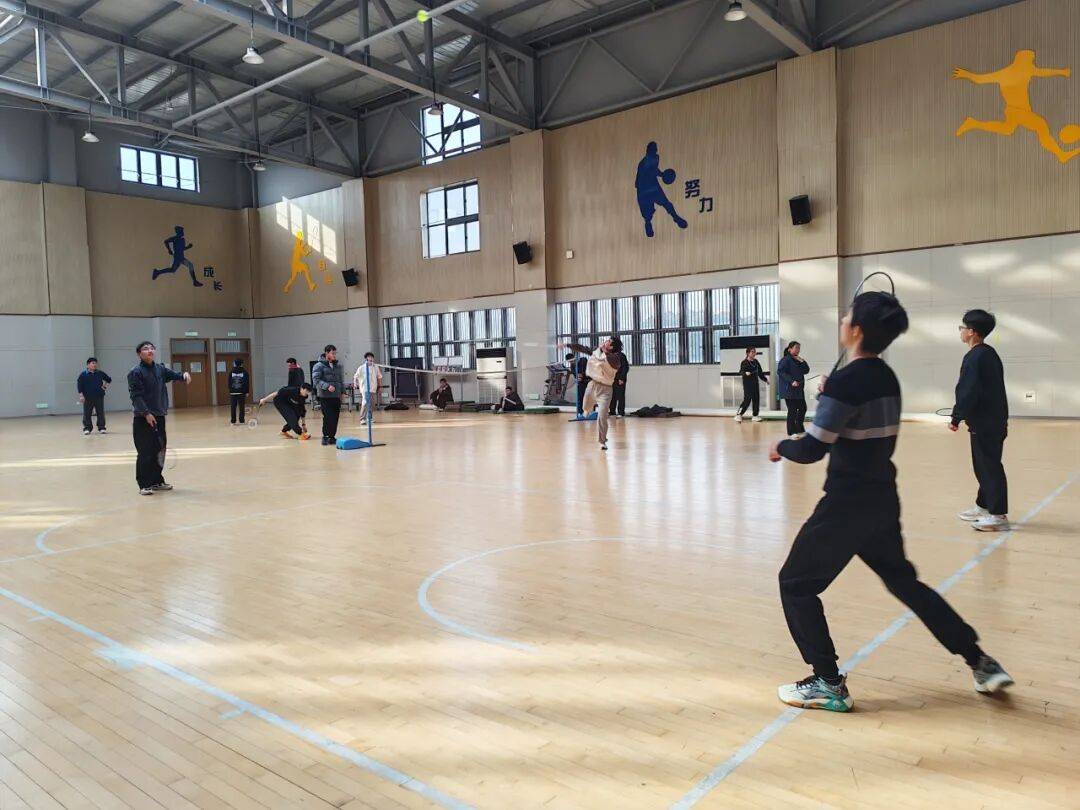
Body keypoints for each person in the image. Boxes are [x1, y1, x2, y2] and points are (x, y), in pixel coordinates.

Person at [768, 292, 1013, 712]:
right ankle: (980, 661)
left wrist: (781, 445)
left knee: (795, 584)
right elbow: (854, 422)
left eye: (847, 316)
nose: (842, 321)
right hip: (882, 500)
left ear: (856, 330)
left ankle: (828, 682)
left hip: (846, 505)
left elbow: (812, 449)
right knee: (906, 584)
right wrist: (831, 399)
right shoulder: (885, 377)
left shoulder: (846, 383)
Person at [950, 309, 1010, 532]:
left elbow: (968, 390)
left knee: (988, 467)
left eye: (963, 327)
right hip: (993, 420)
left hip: (986, 422)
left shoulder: (975, 357)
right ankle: (984, 506)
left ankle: (998, 515)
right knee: (985, 465)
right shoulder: (988, 353)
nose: (961, 331)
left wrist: (956, 416)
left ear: (972, 332)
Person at [127, 341, 190, 496]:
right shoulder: (135, 372)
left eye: (151, 348)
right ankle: (144, 484)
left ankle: (156, 481)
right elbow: (136, 396)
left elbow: (173, 375)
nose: (150, 350)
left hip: (159, 416)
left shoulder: (160, 369)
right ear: (139, 354)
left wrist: (183, 375)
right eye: (145, 348)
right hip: (143, 418)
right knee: (145, 452)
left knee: (160, 450)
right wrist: (146, 413)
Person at [565, 338, 623, 450]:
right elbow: (582, 348)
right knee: (586, 406)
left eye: (608, 341)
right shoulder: (597, 351)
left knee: (602, 415)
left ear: (611, 346)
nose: (605, 341)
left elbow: (611, 361)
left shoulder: (616, 357)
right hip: (592, 385)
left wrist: (604, 351)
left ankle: (602, 441)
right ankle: (586, 411)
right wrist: (567, 345)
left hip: (606, 390)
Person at [311, 345, 344, 445]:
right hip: (325, 396)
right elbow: (316, 380)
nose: (334, 355)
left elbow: (340, 380)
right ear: (327, 353)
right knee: (328, 417)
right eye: (332, 353)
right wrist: (327, 386)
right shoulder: (318, 366)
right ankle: (325, 436)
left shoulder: (337, 366)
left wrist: (342, 392)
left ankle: (332, 437)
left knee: (335, 417)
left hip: (336, 396)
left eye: (335, 353)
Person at [777, 341, 810, 437]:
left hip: (798, 389)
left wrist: (802, 361)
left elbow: (806, 370)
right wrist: (791, 381)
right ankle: (791, 431)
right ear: (790, 349)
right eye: (796, 348)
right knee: (792, 410)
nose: (798, 350)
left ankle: (799, 428)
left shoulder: (798, 359)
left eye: (799, 348)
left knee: (803, 408)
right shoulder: (785, 360)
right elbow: (780, 372)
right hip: (789, 390)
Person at [77, 357, 112, 435]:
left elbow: (109, 379)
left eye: (96, 363)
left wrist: (104, 387)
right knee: (87, 413)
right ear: (88, 365)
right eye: (93, 363)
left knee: (100, 413)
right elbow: (79, 385)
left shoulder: (100, 373)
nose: (95, 365)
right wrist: (81, 395)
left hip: (99, 396)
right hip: (87, 397)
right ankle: (87, 428)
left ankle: (101, 427)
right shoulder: (83, 375)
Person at [734, 347, 768, 422]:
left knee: (756, 399)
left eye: (754, 352)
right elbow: (741, 371)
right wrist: (745, 373)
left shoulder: (756, 362)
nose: (754, 353)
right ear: (747, 353)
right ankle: (739, 415)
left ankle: (755, 416)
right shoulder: (744, 362)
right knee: (747, 400)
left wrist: (765, 380)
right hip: (748, 385)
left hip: (755, 384)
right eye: (752, 352)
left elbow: (760, 372)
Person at [353, 352, 384, 423]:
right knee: (365, 402)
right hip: (365, 388)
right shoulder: (361, 367)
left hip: (373, 388)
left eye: (372, 358)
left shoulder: (375, 367)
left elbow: (379, 377)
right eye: (369, 358)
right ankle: (362, 418)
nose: (371, 359)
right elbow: (355, 376)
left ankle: (369, 418)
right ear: (366, 359)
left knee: (372, 403)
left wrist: (380, 386)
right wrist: (355, 383)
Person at [228, 358, 250, 426]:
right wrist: (247, 391)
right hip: (241, 392)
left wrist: (230, 390)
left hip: (233, 392)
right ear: (241, 364)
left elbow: (229, 382)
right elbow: (246, 383)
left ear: (235, 364)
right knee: (241, 407)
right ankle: (241, 421)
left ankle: (233, 421)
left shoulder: (231, 372)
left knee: (233, 407)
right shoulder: (245, 372)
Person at [609, 350, 631, 418]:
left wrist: (622, 378)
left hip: (620, 379)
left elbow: (625, 368)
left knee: (620, 396)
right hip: (612, 378)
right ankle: (612, 412)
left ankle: (621, 412)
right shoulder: (610, 355)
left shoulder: (622, 356)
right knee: (612, 396)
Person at [567, 351, 589, 416]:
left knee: (588, 397)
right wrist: (577, 378)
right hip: (581, 383)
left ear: (574, 357)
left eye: (572, 361)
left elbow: (590, 370)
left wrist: (583, 375)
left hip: (588, 381)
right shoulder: (572, 365)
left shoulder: (583, 360)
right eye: (570, 362)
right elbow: (575, 375)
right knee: (580, 397)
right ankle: (580, 412)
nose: (572, 363)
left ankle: (589, 411)